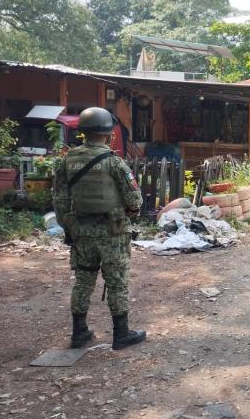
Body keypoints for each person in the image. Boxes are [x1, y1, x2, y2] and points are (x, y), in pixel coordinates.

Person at [53, 107, 147, 350]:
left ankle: (79, 332)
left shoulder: (67, 161)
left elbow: (60, 201)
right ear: (108, 134)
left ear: (82, 132)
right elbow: (135, 201)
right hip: (112, 233)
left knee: (83, 281)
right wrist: (128, 214)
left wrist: (70, 226)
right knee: (116, 282)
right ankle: (121, 333)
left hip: (81, 232)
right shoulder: (114, 162)